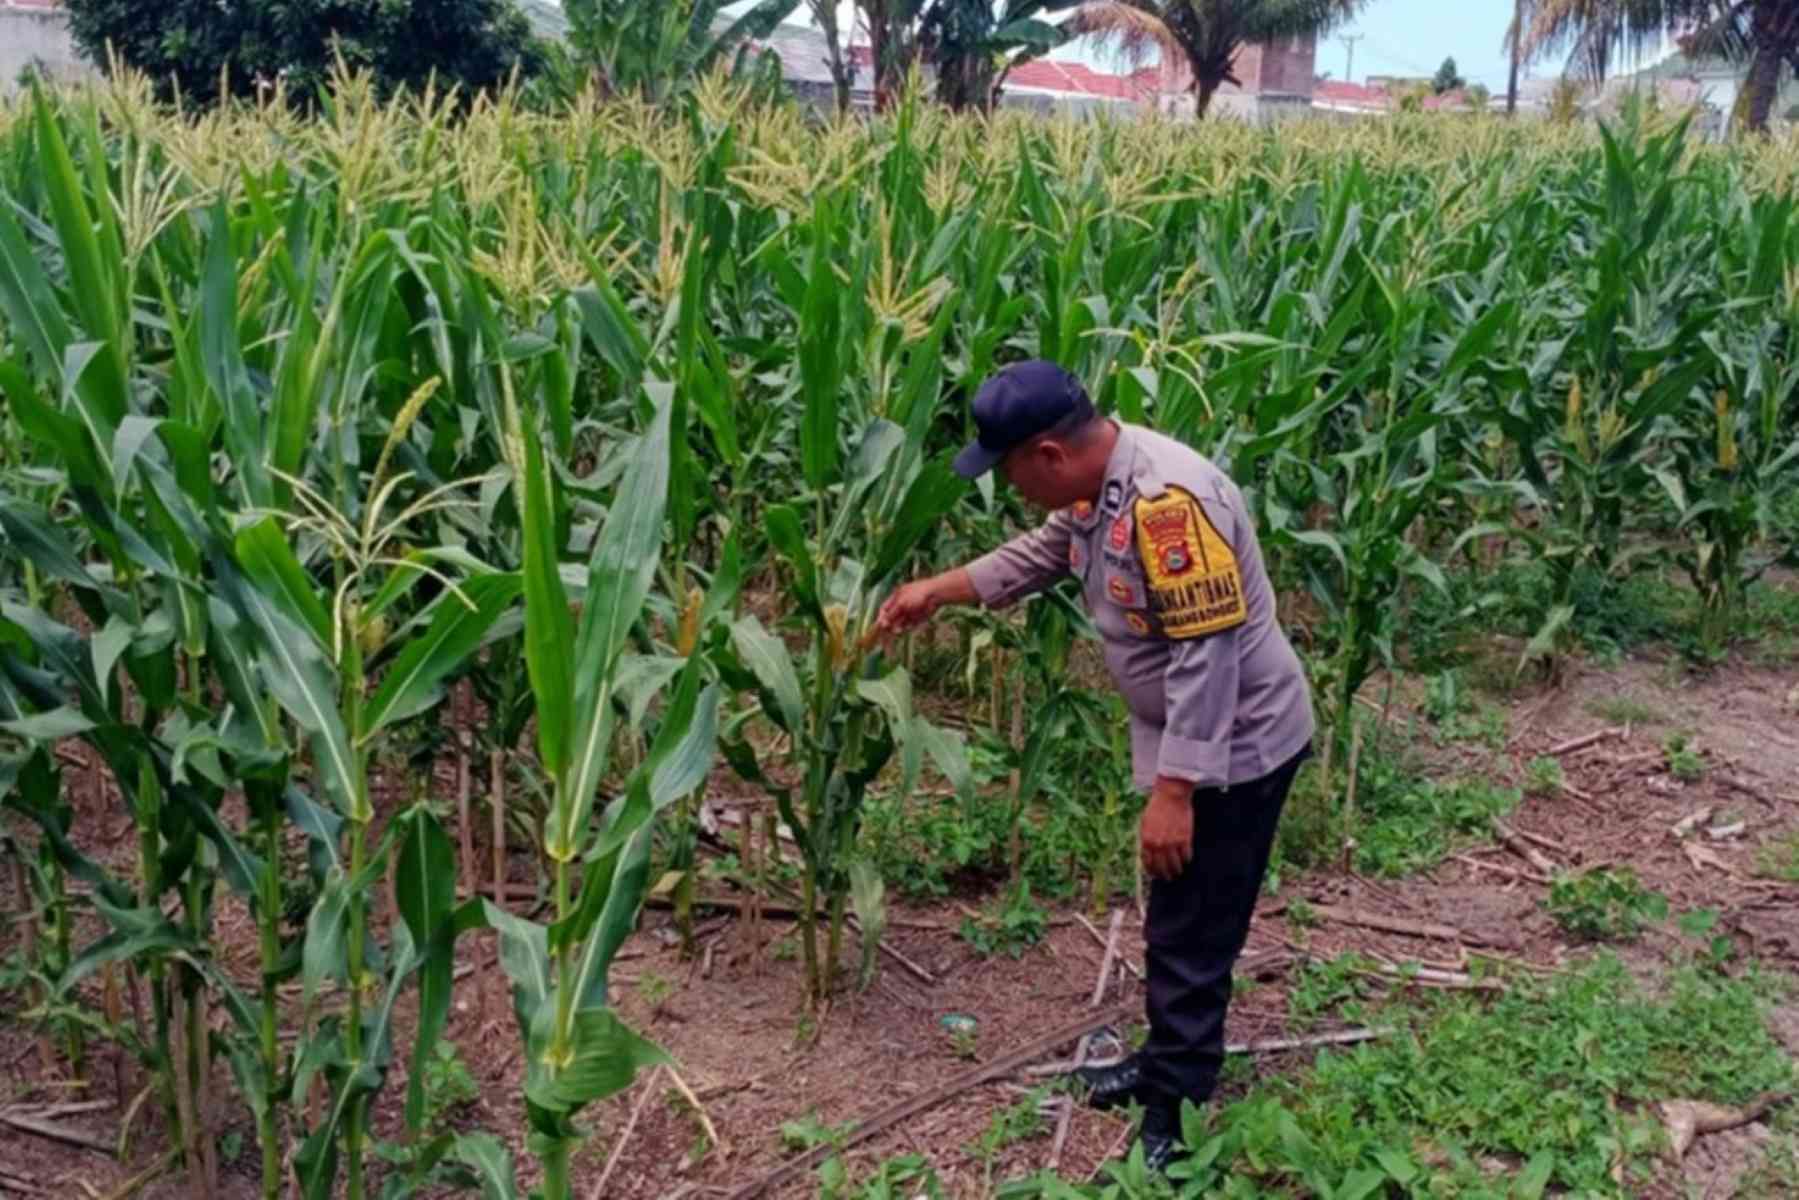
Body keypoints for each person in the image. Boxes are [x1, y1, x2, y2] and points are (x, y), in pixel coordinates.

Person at [876, 360, 1314, 1171]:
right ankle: (1165, 1062)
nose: (1010, 488)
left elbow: (1206, 657)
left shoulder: (1167, 504)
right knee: (1179, 915)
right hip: (1199, 737)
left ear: (1047, 453)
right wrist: (939, 590)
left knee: (1193, 927)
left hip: (1236, 743)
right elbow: (1046, 550)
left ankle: (1176, 1108)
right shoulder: (1098, 481)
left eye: (1010, 470)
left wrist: (1175, 791)